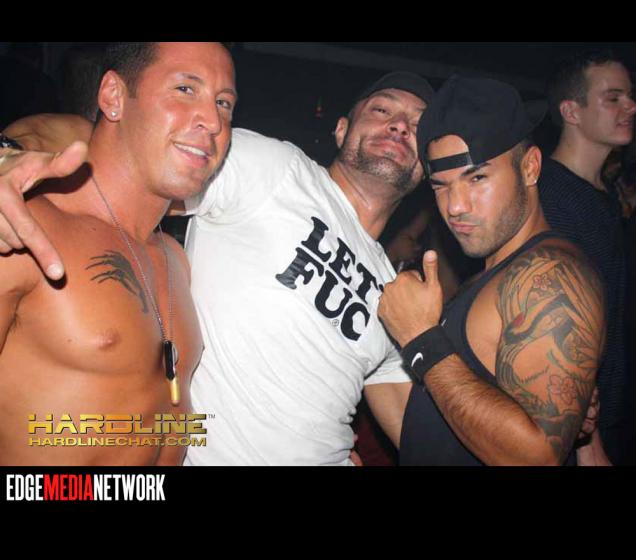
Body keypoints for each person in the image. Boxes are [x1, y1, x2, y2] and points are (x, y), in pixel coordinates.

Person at [0, 65, 435, 465]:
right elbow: (124, 147)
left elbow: (419, 439)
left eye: (418, 125)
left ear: (427, 168)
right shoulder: (276, 169)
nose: (400, 125)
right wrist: (13, 153)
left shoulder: (395, 289)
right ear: (341, 130)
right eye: (382, 110)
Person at [0, 41, 237, 465]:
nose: (214, 121)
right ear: (113, 96)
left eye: (224, 103)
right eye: (185, 89)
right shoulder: (25, 230)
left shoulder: (176, 260)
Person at [378, 76, 606, 465]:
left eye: (477, 178)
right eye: (440, 186)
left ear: (530, 168)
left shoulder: (548, 276)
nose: (455, 206)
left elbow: (536, 458)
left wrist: (420, 338)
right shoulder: (492, 276)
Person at [540, 50, 636, 464]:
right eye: (613, 98)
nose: (631, 107)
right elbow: (557, 326)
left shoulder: (602, 194)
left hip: (613, 414)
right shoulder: (551, 197)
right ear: (571, 111)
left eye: (630, 96)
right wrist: (587, 438)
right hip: (578, 429)